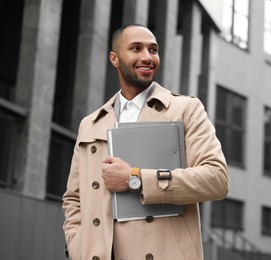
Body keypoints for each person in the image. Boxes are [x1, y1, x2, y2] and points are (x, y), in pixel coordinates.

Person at [62, 23, 229, 260]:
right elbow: (73, 198)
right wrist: (76, 243)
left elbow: (217, 179)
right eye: (136, 48)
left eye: (153, 49)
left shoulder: (186, 109)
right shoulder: (90, 124)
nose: (147, 57)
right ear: (115, 58)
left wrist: (136, 178)